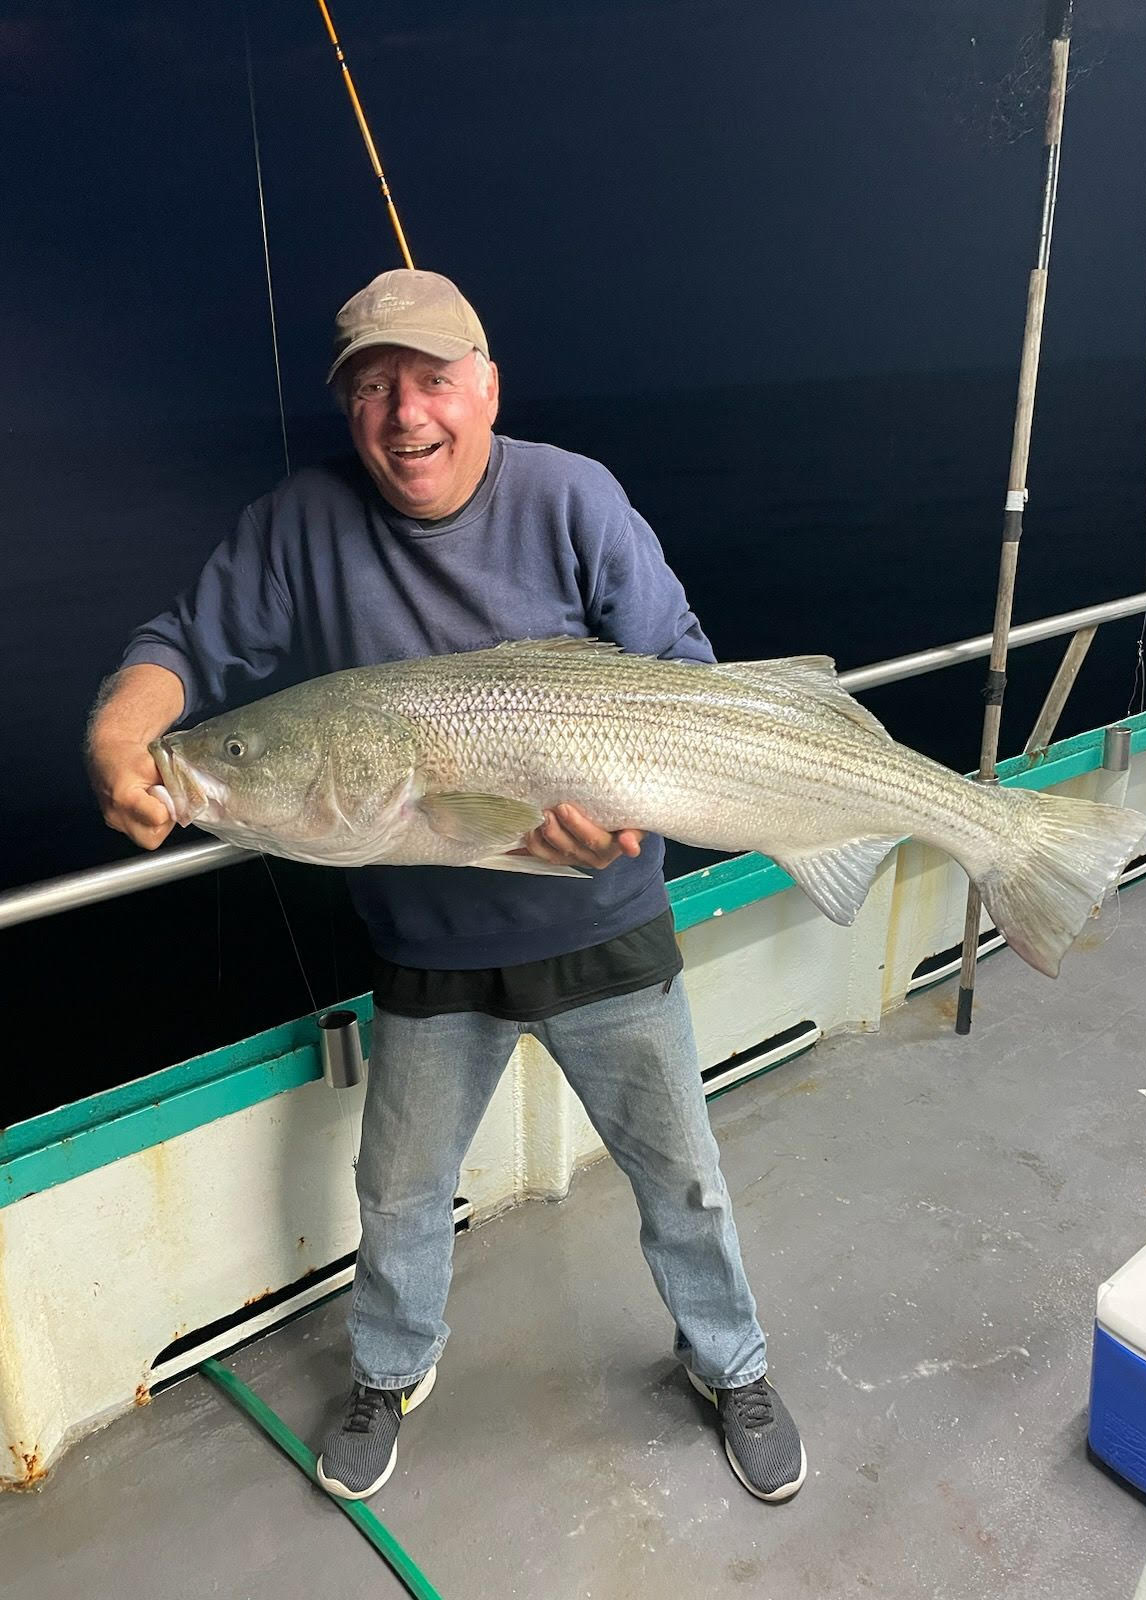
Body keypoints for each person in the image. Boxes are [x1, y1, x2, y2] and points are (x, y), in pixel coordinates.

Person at [87, 269, 806, 1505]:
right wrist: (126, 741)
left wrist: (617, 815)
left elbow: (691, 679)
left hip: (601, 923)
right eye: (371, 386)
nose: (403, 411)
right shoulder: (301, 523)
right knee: (402, 1189)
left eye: (430, 379)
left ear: (485, 386)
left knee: (681, 1172)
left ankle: (730, 1360)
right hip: (426, 943)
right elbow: (180, 650)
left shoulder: (574, 496)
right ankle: (389, 1368)